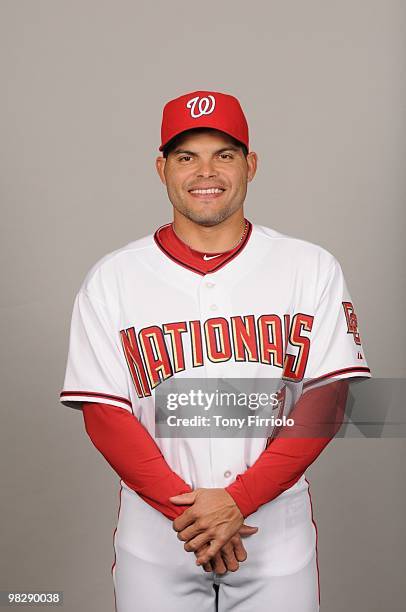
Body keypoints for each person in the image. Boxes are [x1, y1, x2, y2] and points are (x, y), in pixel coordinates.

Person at [59, 90, 371, 611]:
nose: (207, 171)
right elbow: (103, 414)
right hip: (158, 534)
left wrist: (237, 502)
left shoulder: (309, 266)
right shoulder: (113, 278)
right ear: (162, 169)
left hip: (273, 528)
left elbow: (328, 402)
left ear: (250, 164)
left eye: (224, 155)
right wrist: (199, 516)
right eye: (187, 157)